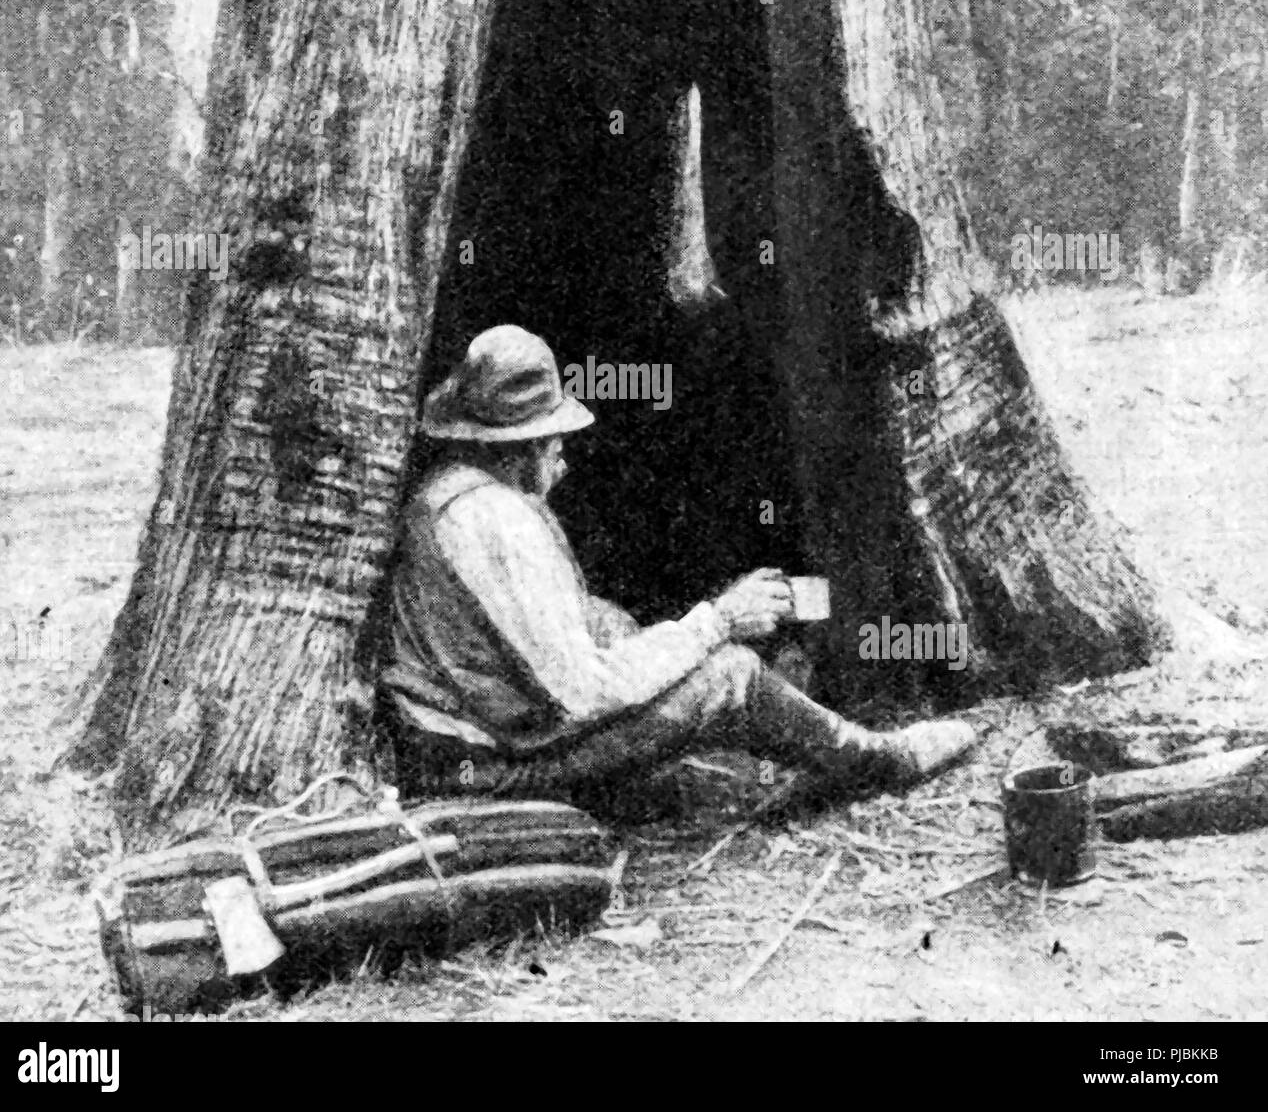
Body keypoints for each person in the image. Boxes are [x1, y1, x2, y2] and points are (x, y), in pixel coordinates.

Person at [379, 325, 975, 811]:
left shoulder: (444, 494)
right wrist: (718, 620)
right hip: (483, 768)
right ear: (523, 447)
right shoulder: (504, 523)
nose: (561, 454)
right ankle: (878, 761)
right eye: (553, 440)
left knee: (606, 620)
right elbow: (583, 693)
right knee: (731, 674)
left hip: (447, 738)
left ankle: (634, 784)